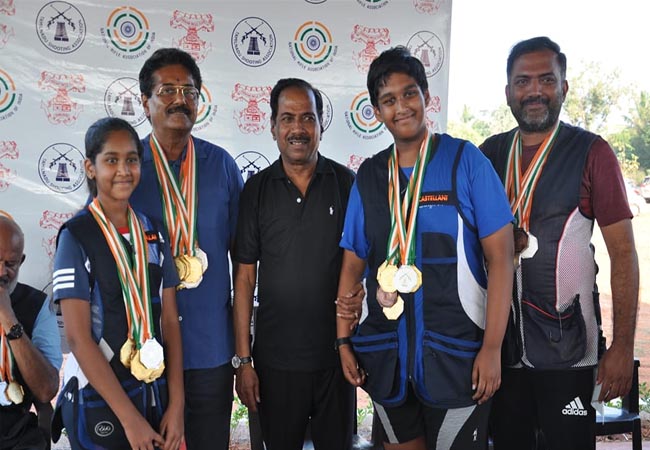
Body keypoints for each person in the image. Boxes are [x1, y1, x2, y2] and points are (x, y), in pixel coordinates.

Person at [336, 46, 515, 450]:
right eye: (388, 100)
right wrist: (343, 340)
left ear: (426, 96)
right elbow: (351, 266)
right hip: (387, 360)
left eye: (409, 93)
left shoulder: (464, 161)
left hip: (458, 361)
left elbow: (502, 258)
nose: (401, 107)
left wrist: (492, 348)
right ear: (376, 111)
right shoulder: (369, 176)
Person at [481, 36, 639, 450]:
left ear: (564, 87)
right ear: (508, 92)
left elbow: (624, 254)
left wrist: (622, 346)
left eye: (546, 80)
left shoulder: (591, 152)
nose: (534, 91)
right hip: (501, 351)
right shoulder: (488, 154)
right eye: (523, 81)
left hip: (569, 349)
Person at [232, 78, 363, 450]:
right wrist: (244, 361)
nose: (298, 128)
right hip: (276, 364)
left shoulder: (346, 183)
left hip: (336, 358)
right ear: (273, 126)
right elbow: (244, 280)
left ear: (321, 124)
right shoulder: (256, 190)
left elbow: (360, 267)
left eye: (307, 117)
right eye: (287, 118)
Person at [130, 48, 243, 450]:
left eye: (189, 91)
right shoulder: (126, 168)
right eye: (167, 90)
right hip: (142, 349)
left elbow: (243, 258)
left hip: (211, 347)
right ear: (145, 101)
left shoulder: (221, 166)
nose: (180, 99)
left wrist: (243, 349)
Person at [52, 117, 184, 450]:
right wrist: (129, 419)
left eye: (131, 160)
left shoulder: (153, 232)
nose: (123, 170)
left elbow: (170, 320)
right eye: (111, 160)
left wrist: (177, 404)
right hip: (102, 403)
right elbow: (78, 338)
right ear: (91, 168)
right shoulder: (76, 237)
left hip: (153, 395)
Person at [0, 212, 61, 450]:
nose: (2, 272)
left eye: (10, 264)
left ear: (21, 261)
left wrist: (9, 319)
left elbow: (46, 391)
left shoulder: (37, 306)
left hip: (13, 431)